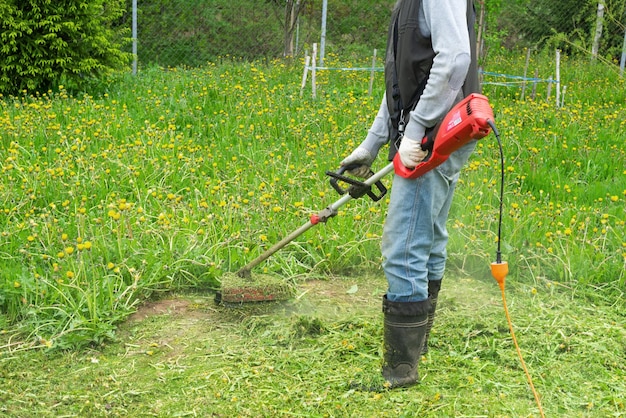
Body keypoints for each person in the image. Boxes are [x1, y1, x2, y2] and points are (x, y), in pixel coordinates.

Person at [342, 0, 480, 390]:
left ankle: (400, 370)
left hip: (436, 133)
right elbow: (405, 80)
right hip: (437, 128)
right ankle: (416, 347)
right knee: (429, 234)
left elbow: (455, 59)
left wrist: (416, 129)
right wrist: (372, 144)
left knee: (404, 242)